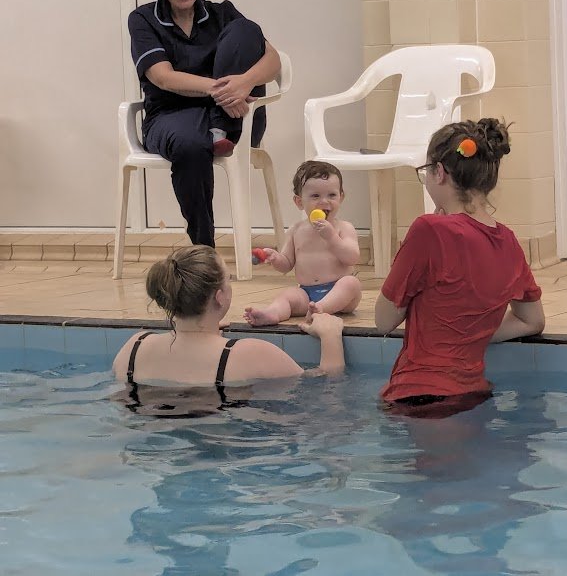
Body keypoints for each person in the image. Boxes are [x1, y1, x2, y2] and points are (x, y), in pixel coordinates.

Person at [128, 0, 281, 248]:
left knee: (248, 29)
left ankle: (219, 127)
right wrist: (225, 91)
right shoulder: (142, 19)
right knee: (189, 145)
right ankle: (203, 250)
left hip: (236, 121)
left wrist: (244, 83)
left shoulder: (222, 12)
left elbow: (273, 61)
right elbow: (162, 77)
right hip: (170, 118)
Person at [375, 118, 545, 416]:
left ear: (439, 172)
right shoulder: (508, 242)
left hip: (420, 396)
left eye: (425, 172)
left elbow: (384, 320)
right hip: (474, 396)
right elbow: (532, 321)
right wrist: (470, 333)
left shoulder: (429, 230)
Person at [112, 245, 345, 396]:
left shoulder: (133, 347)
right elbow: (323, 384)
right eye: (228, 279)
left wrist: (207, 334)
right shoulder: (250, 353)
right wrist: (330, 336)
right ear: (220, 297)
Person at [244, 160, 361, 326]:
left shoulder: (344, 228)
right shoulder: (296, 230)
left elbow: (352, 258)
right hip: (306, 293)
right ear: (299, 202)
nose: (324, 201)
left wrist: (332, 237)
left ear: (341, 197)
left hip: (340, 293)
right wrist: (275, 258)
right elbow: (286, 265)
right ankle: (272, 313)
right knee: (287, 295)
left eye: (332, 195)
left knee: (351, 283)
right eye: (315, 196)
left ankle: (321, 308)